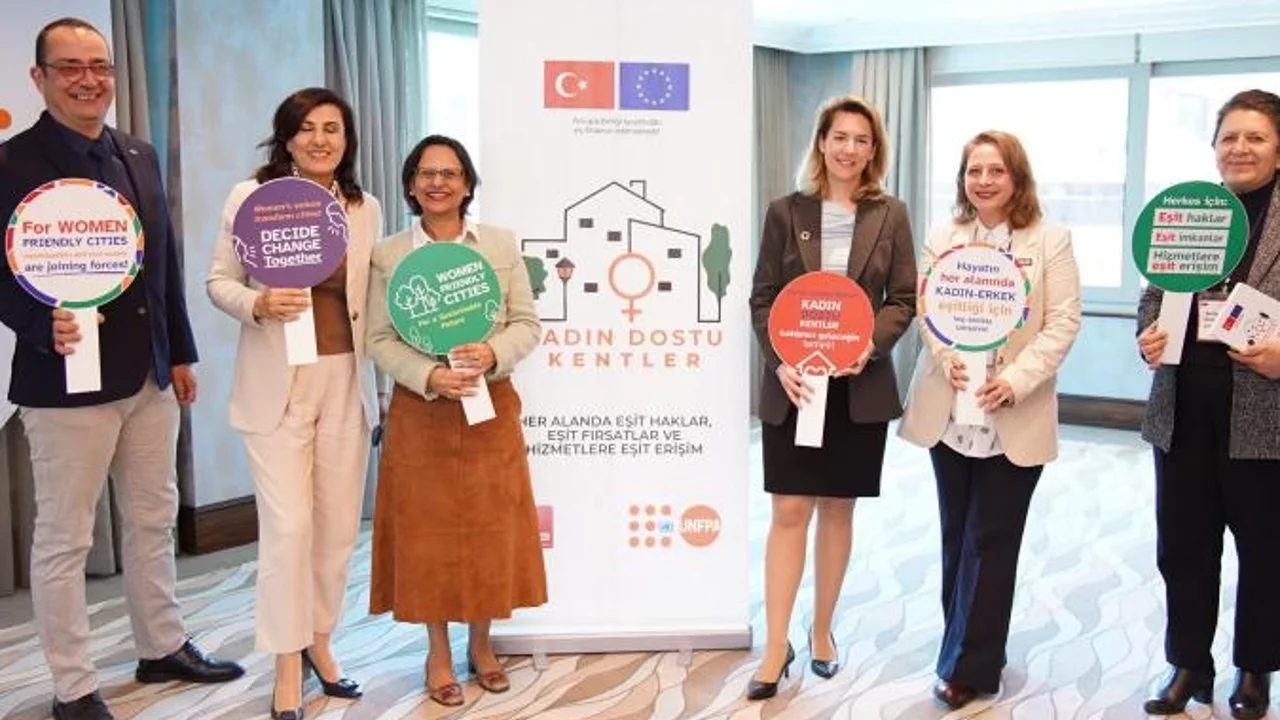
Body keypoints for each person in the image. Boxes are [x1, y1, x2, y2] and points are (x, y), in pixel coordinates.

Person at [0, 17, 243, 720]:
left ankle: (160, 644)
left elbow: (161, 259)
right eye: (70, 67)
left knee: (152, 517)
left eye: (100, 66)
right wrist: (34, 321)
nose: (89, 80)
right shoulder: (11, 164)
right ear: (39, 78)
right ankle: (74, 687)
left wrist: (182, 351)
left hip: (149, 376)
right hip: (63, 381)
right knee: (65, 537)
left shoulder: (138, 152)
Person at [207, 87, 381, 720]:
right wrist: (256, 303)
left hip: (345, 382)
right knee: (288, 530)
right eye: (306, 128)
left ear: (347, 140)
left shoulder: (363, 207)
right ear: (286, 138)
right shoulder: (251, 197)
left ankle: (321, 643)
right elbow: (218, 281)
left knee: (336, 529)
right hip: (276, 384)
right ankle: (286, 662)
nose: (320, 140)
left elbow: (369, 299)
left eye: (332, 129)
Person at [898, 130, 1081, 709]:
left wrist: (1016, 380)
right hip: (950, 410)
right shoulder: (943, 237)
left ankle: (967, 668)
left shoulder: (1050, 239)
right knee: (958, 536)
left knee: (990, 538)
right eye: (973, 171)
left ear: (1017, 178)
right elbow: (927, 307)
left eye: (996, 170)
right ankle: (969, 647)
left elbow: (1063, 321)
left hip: (1014, 413)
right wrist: (946, 355)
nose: (983, 181)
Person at [365, 134, 547, 707]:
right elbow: (377, 337)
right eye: (426, 173)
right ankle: (438, 654)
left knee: (492, 527)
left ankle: (483, 646)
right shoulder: (388, 254)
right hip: (421, 412)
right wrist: (429, 375)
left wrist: (492, 354)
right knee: (427, 535)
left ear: (467, 184)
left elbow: (526, 323)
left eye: (449, 173)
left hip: (490, 407)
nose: (437, 182)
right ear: (411, 185)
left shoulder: (499, 244)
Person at [746, 95, 916, 701]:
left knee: (838, 510)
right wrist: (781, 363)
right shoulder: (785, 211)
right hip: (795, 386)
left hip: (857, 387)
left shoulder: (890, 215)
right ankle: (775, 646)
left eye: (862, 140)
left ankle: (821, 632)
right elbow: (763, 298)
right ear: (821, 142)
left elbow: (903, 299)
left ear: (874, 150)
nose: (849, 148)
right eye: (840, 137)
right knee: (789, 511)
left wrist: (868, 345)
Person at [1136, 89, 1280, 720]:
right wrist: (1148, 334)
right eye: (1229, 137)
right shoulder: (1189, 211)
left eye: (1256, 137)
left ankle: (1255, 670)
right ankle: (1188, 664)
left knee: (1266, 551)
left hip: (1265, 416)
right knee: (1183, 548)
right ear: (1214, 147)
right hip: (1182, 412)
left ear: (1279, 149)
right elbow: (1153, 297)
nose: (1240, 148)